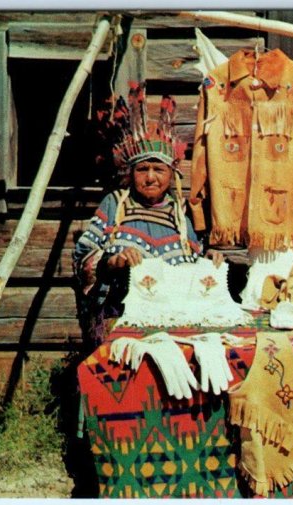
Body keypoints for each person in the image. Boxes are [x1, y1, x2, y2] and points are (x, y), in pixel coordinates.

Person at [73, 85, 223, 348]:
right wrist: (112, 262)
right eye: (143, 169)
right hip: (120, 316)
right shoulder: (114, 204)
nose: (150, 177)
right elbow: (83, 256)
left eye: (158, 169)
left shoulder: (180, 213)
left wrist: (208, 260)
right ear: (131, 173)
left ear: (171, 174)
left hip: (175, 317)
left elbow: (192, 261)